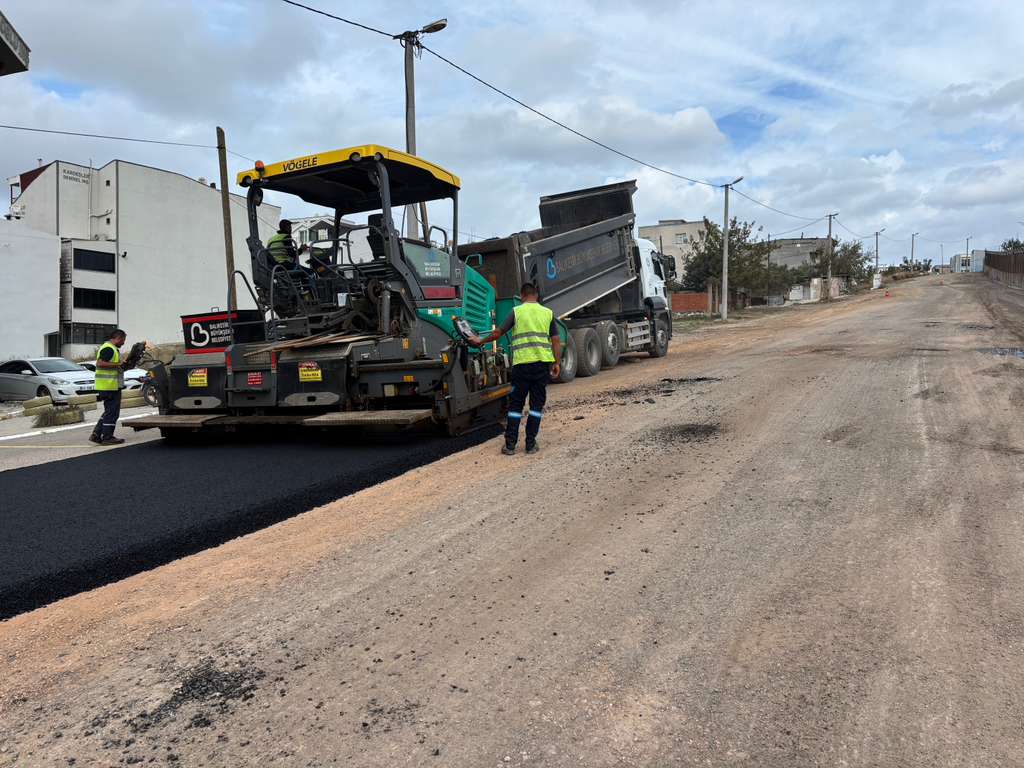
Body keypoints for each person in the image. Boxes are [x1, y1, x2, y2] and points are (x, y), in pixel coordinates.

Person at [472, 282, 561, 455]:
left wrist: (479, 340)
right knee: (536, 406)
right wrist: (556, 363)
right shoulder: (547, 313)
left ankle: (510, 445)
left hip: (521, 367)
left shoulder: (517, 311)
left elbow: (498, 332)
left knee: (516, 405)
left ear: (522, 295)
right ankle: (530, 444)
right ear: (536, 295)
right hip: (541, 366)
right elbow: (556, 341)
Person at [89, 328, 129, 446]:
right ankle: (107, 437)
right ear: (118, 338)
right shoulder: (109, 348)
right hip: (109, 387)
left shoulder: (111, 348)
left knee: (108, 412)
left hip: (108, 386)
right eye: (123, 340)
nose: (123, 343)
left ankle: (96, 434)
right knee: (112, 413)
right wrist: (118, 364)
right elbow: (100, 363)